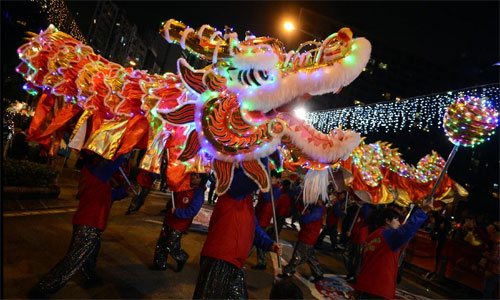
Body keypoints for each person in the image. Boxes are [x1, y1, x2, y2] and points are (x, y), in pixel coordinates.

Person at [28, 151, 127, 298]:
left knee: (91, 253)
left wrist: (123, 192)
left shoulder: (95, 174)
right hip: (89, 224)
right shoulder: (98, 173)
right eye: (101, 158)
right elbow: (116, 162)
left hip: (91, 223)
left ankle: (90, 277)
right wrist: (126, 148)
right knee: (73, 260)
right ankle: (45, 287)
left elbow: (107, 194)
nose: (104, 160)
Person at [192, 158, 283, 299]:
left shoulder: (244, 197)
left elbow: (253, 226)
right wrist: (265, 150)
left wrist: (269, 244)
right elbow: (257, 177)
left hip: (234, 263)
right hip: (220, 261)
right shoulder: (232, 186)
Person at [354, 203, 431, 299]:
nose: (399, 223)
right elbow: (406, 230)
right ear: (387, 221)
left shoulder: (372, 236)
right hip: (379, 289)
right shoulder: (388, 236)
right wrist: (422, 212)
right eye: (397, 220)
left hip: (365, 285)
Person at [153, 172, 208, 272]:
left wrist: (178, 212)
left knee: (171, 245)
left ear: (202, 180)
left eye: (198, 177)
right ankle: (159, 263)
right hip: (169, 219)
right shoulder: (183, 185)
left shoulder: (198, 193)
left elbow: (192, 211)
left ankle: (181, 257)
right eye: (194, 175)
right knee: (162, 243)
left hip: (180, 223)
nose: (194, 177)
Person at [281, 197, 326, 283]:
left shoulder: (318, 211)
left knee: (298, 255)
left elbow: (305, 219)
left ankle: (288, 271)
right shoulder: (315, 208)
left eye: (320, 200)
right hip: (308, 235)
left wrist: (305, 214)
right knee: (310, 256)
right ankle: (318, 274)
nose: (317, 200)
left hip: (308, 236)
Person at [252, 170, 282, 270]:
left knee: (256, 240)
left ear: (275, 178)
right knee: (253, 240)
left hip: (264, 218)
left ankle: (262, 262)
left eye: (271, 177)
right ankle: (261, 261)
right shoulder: (271, 188)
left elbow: (267, 198)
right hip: (259, 215)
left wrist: (267, 187)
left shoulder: (276, 189)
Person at [345, 203, 371, 283]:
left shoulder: (366, 211)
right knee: (347, 255)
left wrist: (364, 204)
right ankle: (351, 272)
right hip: (353, 236)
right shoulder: (357, 209)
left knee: (358, 259)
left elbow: (365, 213)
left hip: (360, 239)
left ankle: (355, 276)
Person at [481, 224, 499, 299]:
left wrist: (486, 255)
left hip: (494, 271)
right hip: (496, 271)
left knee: (488, 290)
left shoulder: (497, 246)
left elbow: (495, 259)